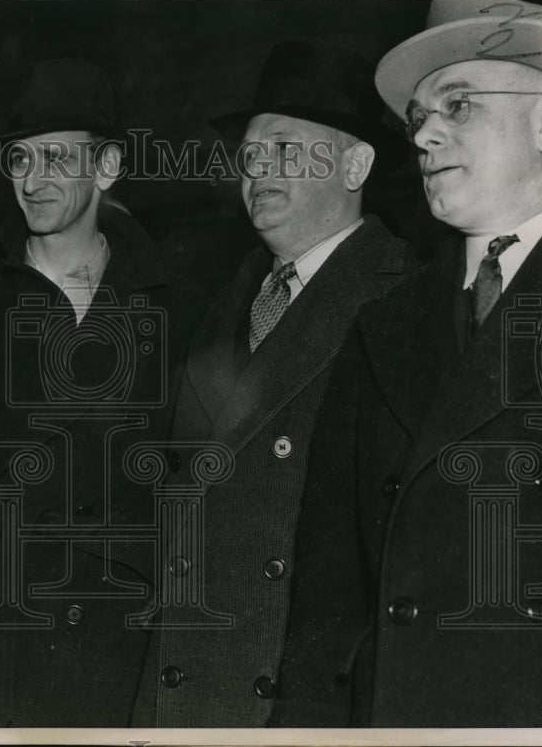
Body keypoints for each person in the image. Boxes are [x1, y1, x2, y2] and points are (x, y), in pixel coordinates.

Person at [272, 0, 542, 728]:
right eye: (418, 117)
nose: (425, 134)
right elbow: (327, 599)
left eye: (457, 105)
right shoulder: (382, 326)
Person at [0, 58, 208, 727]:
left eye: (53, 158)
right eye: (18, 160)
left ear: (105, 168)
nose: (32, 180)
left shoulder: (181, 311)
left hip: (107, 647)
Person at [130, 40, 416, 727]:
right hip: (182, 680)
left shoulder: (405, 298)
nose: (258, 171)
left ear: (356, 164)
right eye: (251, 156)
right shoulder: (228, 299)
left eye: (285, 150)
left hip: (294, 693)